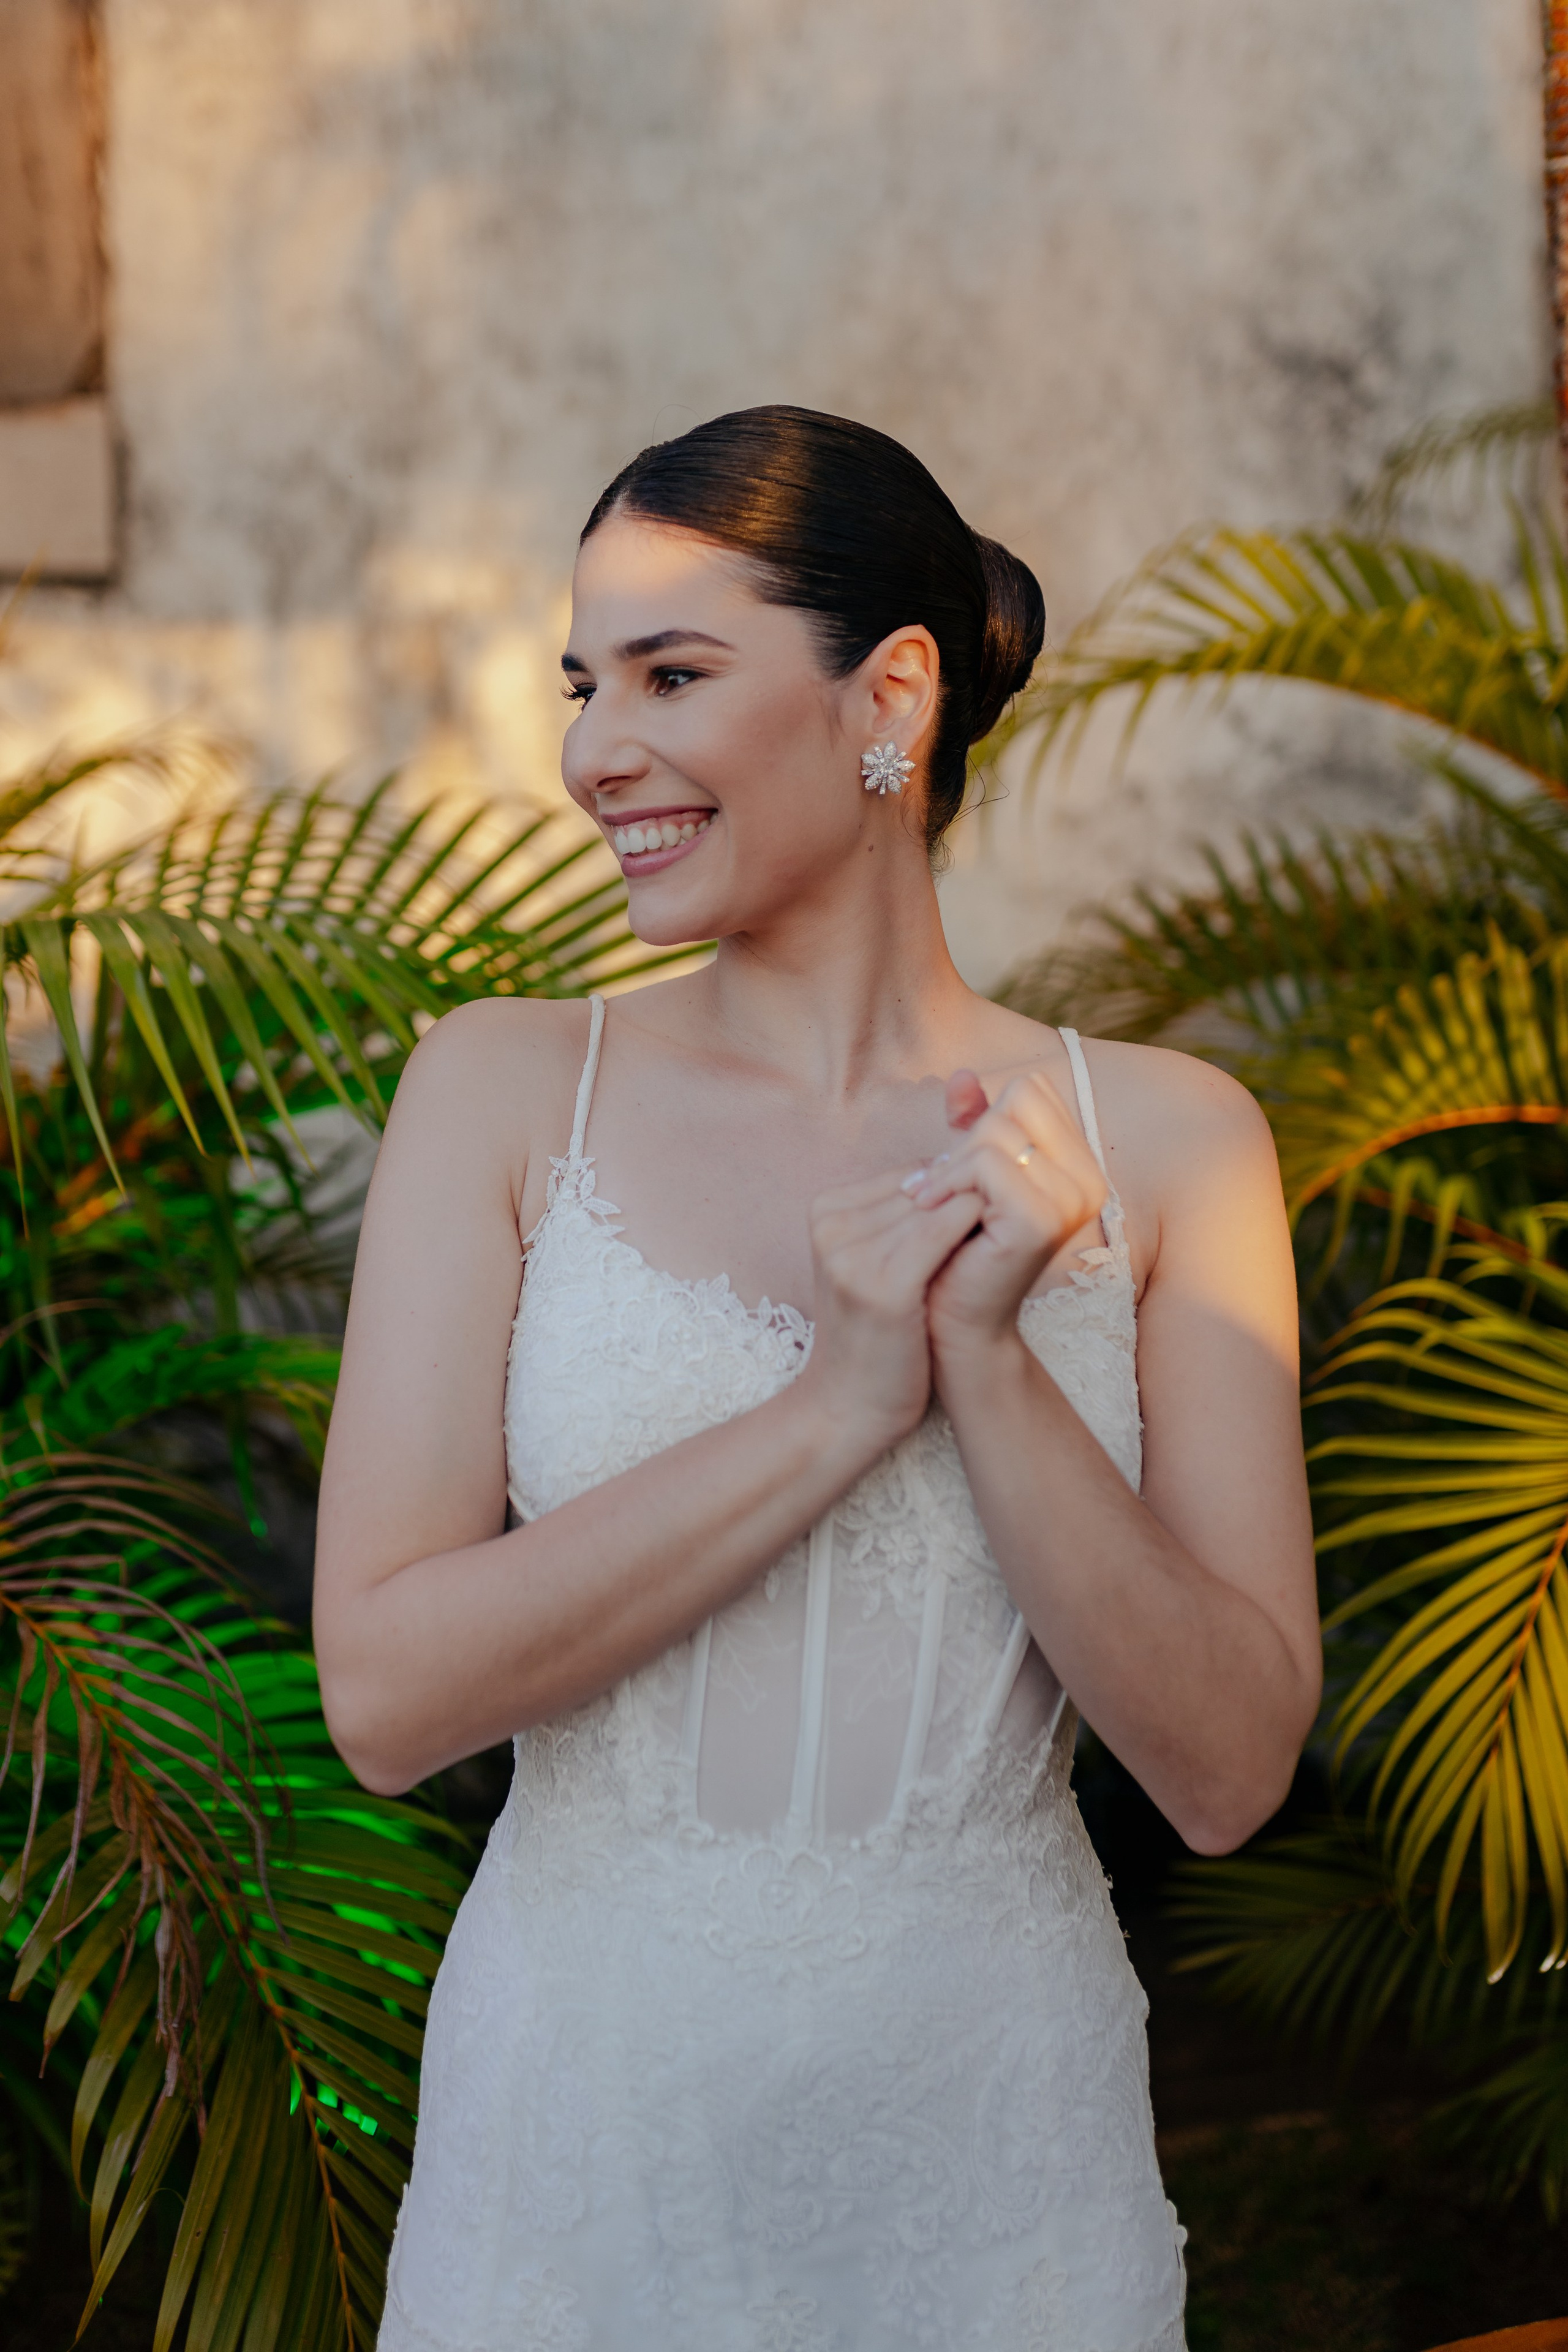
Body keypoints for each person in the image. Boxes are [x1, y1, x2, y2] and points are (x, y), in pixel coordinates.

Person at [314, 405, 1320, 2352]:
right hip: (579, 2156)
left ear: (895, 695)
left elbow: (1223, 1771)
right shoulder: (506, 1090)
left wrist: (985, 1363)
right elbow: (384, 1693)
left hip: (1004, 2164)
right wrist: (838, 1410)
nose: (596, 750)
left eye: (673, 674)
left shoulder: (1181, 1147)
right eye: (581, 682)